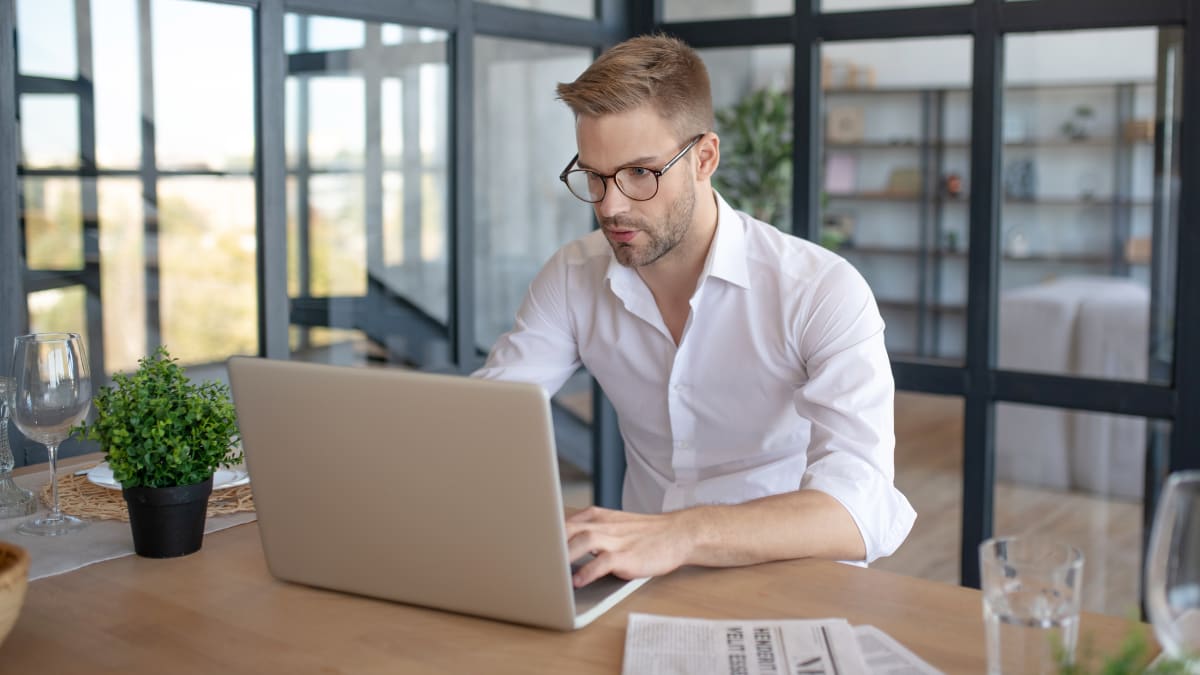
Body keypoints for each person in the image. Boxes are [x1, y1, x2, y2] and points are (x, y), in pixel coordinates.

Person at [473, 34, 916, 588]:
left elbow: (861, 508)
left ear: (705, 157)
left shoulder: (819, 290)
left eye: (640, 173)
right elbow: (484, 423)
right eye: (594, 176)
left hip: (790, 586)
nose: (610, 206)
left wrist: (680, 534)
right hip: (637, 583)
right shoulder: (572, 276)